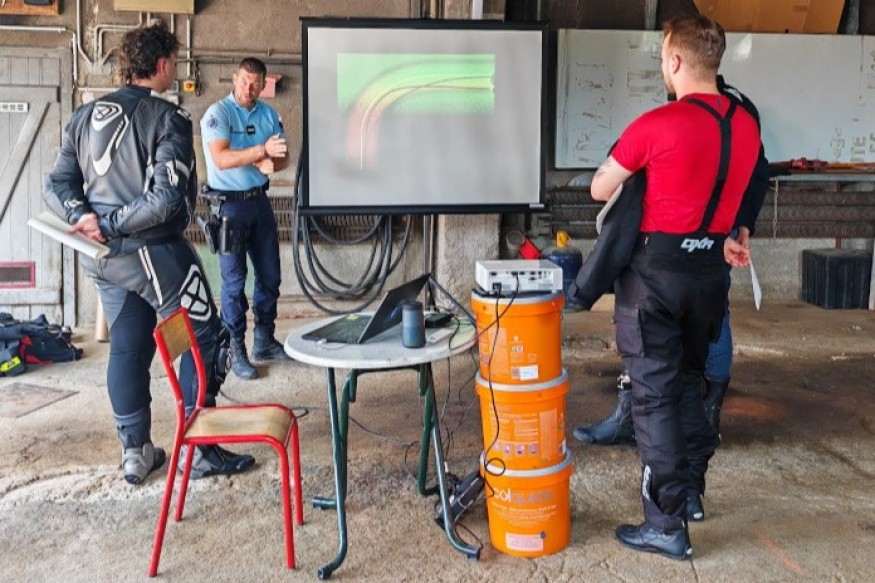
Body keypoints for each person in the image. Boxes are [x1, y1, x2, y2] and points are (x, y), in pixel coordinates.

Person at [43, 21, 255, 485]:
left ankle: (135, 452)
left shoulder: (84, 115)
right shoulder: (167, 117)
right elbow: (167, 200)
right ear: (161, 65)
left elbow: (55, 183)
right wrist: (109, 223)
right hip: (157, 257)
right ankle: (199, 450)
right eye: (173, 62)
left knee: (128, 343)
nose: (174, 69)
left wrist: (84, 216)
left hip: (104, 258)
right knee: (206, 339)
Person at [587, 16, 760, 560]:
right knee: (687, 387)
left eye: (663, 56)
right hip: (709, 277)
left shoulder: (656, 124)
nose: (663, 64)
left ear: (677, 61)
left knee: (654, 399)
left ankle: (665, 524)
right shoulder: (746, 126)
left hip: (654, 282)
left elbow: (599, 188)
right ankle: (688, 495)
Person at [573, 74, 770, 451]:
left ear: (681, 64)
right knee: (654, 323)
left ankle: (703, 415)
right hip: (674, 236)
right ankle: (645, 417)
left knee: (699, 320)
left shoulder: (734, 111)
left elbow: (756, 171)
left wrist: (742, 224)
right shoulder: (697, 112)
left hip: (708, 235)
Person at [200, 57, 291, 380]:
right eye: (243, 81)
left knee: (270, 276)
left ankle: (264, 340)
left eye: (254, 84)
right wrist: (260, 152)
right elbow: (221, 158)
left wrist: (272, 165)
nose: (248, 89)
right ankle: (235, 347)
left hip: (259, 203)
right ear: (234, 79)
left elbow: (282, 157)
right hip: (229, 209)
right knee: (235, 282)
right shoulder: (218, 113)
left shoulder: (269, 115)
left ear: (263, 85)